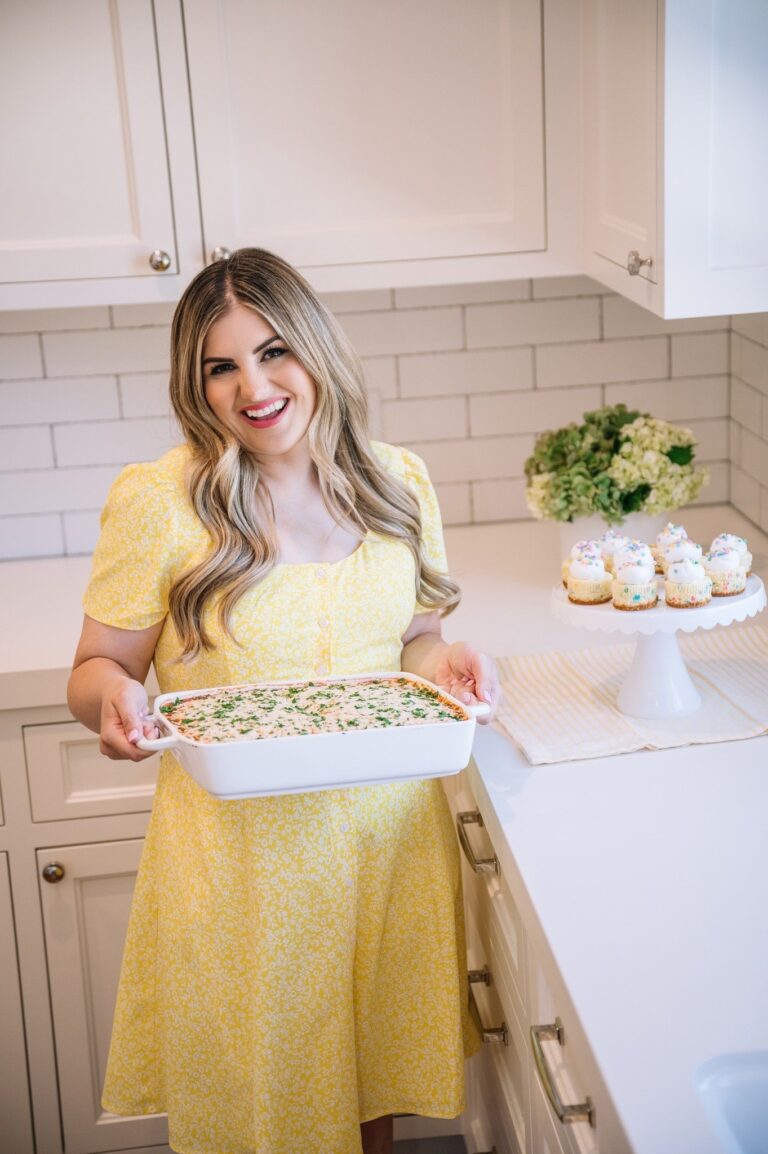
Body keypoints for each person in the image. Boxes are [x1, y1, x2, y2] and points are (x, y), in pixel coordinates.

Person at [67, 248, 500, 1154]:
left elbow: (411, 640)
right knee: (263, 1119)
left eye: (273, 353)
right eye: (220, 367)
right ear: (196, 384)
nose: (252, 387)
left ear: (315, 349)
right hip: (246, 871)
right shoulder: (162, 501)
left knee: (368, 1099)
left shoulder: (396, 481)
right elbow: (99, 665)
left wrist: (447, 658)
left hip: (386, 848)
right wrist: (114, 701)